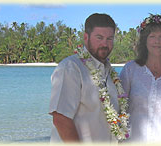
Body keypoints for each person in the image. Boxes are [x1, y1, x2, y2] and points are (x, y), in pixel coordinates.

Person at [49, 13, 129, 143]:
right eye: (99, 37)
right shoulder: (71, 68)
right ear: (86, 37)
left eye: (109, 38)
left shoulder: (111, 74)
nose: (105, 43)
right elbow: (61, 119)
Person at [119, 14, 161, 143]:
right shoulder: (130, 69)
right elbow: (120, 106)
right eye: (152, 37)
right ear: (145, 40)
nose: (157, 41)